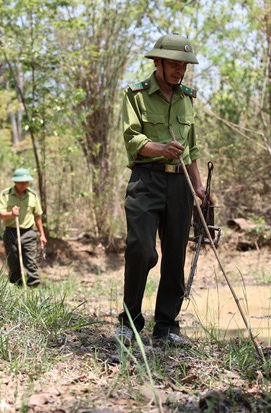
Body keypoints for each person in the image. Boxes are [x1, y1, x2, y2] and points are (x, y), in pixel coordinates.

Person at [115, 34, 206, 347]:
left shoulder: (187, 98)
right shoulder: (136, 95)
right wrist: (160, 149)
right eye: (173, 64)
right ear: (158, 63)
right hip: (146, 179)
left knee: (175, 257)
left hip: (180, 184)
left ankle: (167, 326)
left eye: (183, 66)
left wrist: (198, 187)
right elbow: (133, 140)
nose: (178, 71)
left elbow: (190, 149)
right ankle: (129, 322)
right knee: (141, 249)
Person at [0, 168, 47, 287]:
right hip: (11, 232)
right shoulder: (6, 194)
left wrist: (42, 235)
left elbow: (38, 216)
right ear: (15, 182)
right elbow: (1, 214)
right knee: (13, 261)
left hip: (29, 232)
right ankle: (17, 285)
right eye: (21, 182)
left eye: (26, 182)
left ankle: (33, 286)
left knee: (31, 261)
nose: (24, 185)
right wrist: (11, 214)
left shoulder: (33, 195)